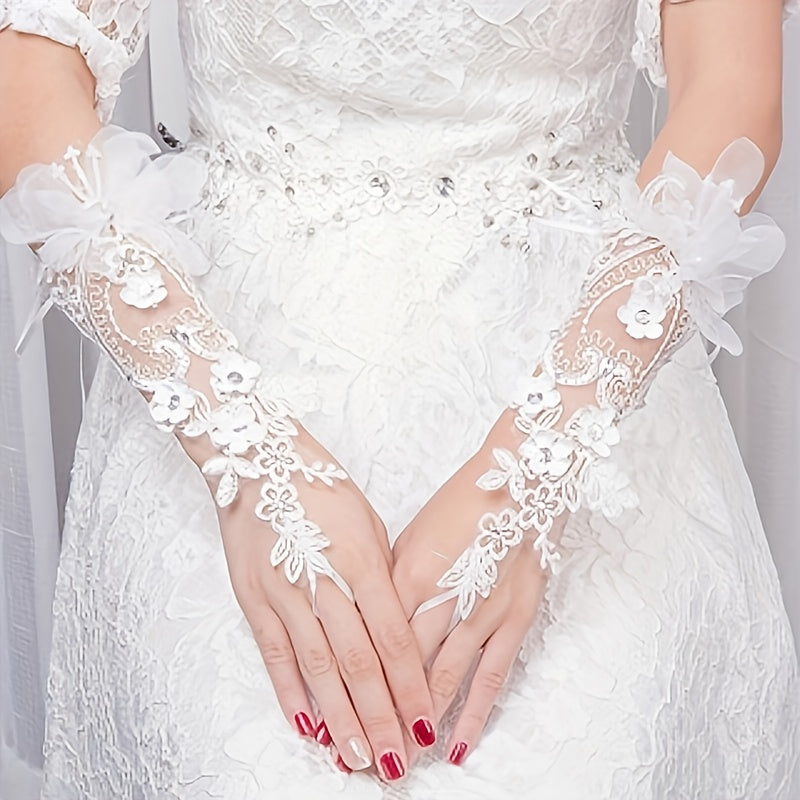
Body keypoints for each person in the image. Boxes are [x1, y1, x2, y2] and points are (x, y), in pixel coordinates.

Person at [0, 0, 798, 797]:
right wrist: (247, 452)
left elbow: (730, 91)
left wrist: (536, 469)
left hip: (579, 348)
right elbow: (29, 75)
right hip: (221, 357)